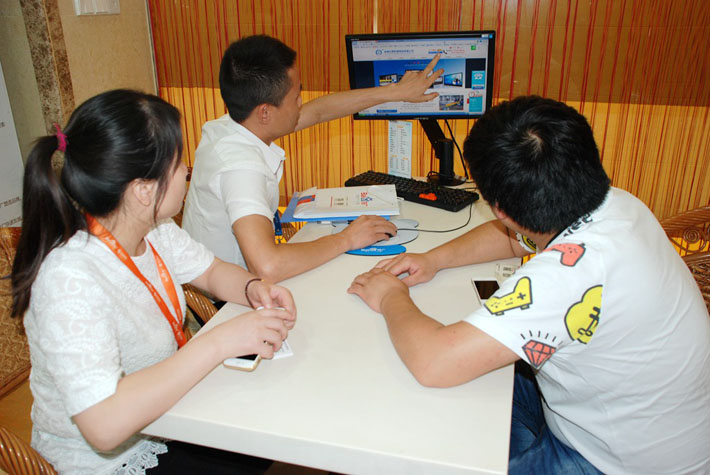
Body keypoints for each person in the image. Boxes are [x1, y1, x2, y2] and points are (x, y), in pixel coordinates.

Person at [347, 95, 710, 474]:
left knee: (423, 423)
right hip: (625, 422)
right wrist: (433, 260)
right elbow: (514, 239)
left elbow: (435, 363)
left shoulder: (567, 276)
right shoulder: (614, 203)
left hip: (613, 462)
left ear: (499, 209)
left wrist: (391, 295)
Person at [10, 89, 297, 474]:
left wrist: (252, 288)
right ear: (143, 190)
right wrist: (218, 342)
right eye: (178, 164)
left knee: (267, 431)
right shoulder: (68, 278)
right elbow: (103, 425)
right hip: (110, 460)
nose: (187, 171)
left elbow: (212, 271)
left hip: (168, 416)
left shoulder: (153, 228)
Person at [182, 34, 443, 282]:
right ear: (265, 112)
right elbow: (267, 266)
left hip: (241, 276)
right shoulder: (239, 168)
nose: (301, 104)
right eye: (296, 97)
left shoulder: (234, 124)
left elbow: (319, 111)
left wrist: (395, 92)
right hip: (229, 298)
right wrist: (347, 238)